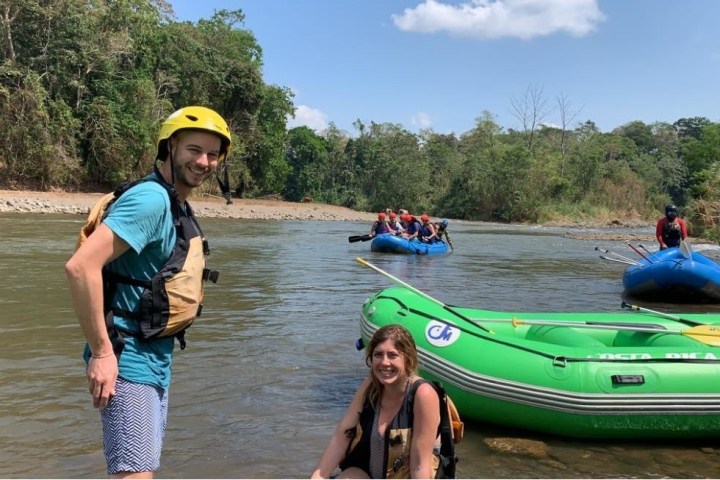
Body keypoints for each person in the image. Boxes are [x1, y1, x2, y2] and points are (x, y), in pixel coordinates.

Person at [65, 106, 232, 478]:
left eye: (212, 154)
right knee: (135, 475)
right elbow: (80, 267)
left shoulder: (176, 202)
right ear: (170, 146)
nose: (204, 161)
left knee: (141, 472)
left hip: (153, 357)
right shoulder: (152, 200)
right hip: (127, 358)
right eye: (193, 149)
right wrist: (103, 353)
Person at [310, 325, 443, 479]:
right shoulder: (369, 388)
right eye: (378, 355)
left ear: (408, 358)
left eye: (392, 355)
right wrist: (318, 476)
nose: (384, 363)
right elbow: (343, 435)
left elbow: (420, 465)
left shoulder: (423, 394)